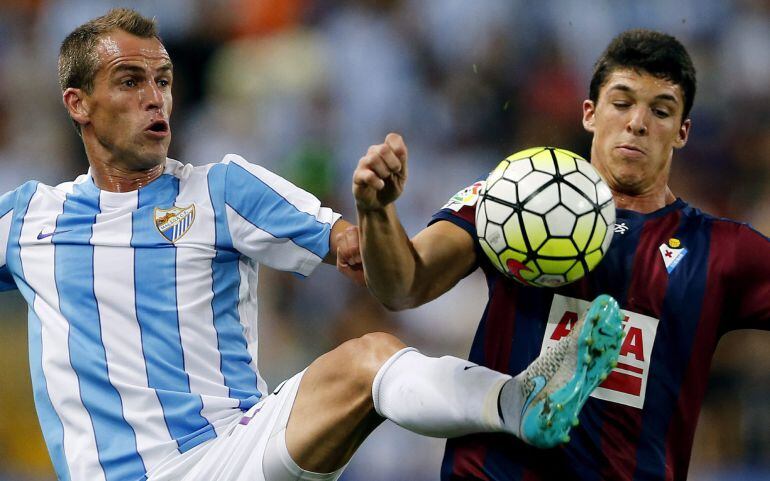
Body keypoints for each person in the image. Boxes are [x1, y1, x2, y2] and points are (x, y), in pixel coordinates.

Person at [0, 9, 625, 481]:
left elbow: (368, 262)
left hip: (230, 455)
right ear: (77, 104)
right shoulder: (28, 217)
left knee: (369, 359)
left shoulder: (222, 190)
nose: (153, 96)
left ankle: (520, 401)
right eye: (129, 80)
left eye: (162, 79)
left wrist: (377, 212)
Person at [353, 29, 770, 480]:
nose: (637, 123)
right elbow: (403, 286)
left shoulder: (721, 251)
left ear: (683, 132)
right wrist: (377, 212)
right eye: (622, 102)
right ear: (590, 113)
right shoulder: (512, 197)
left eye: (661, 111)